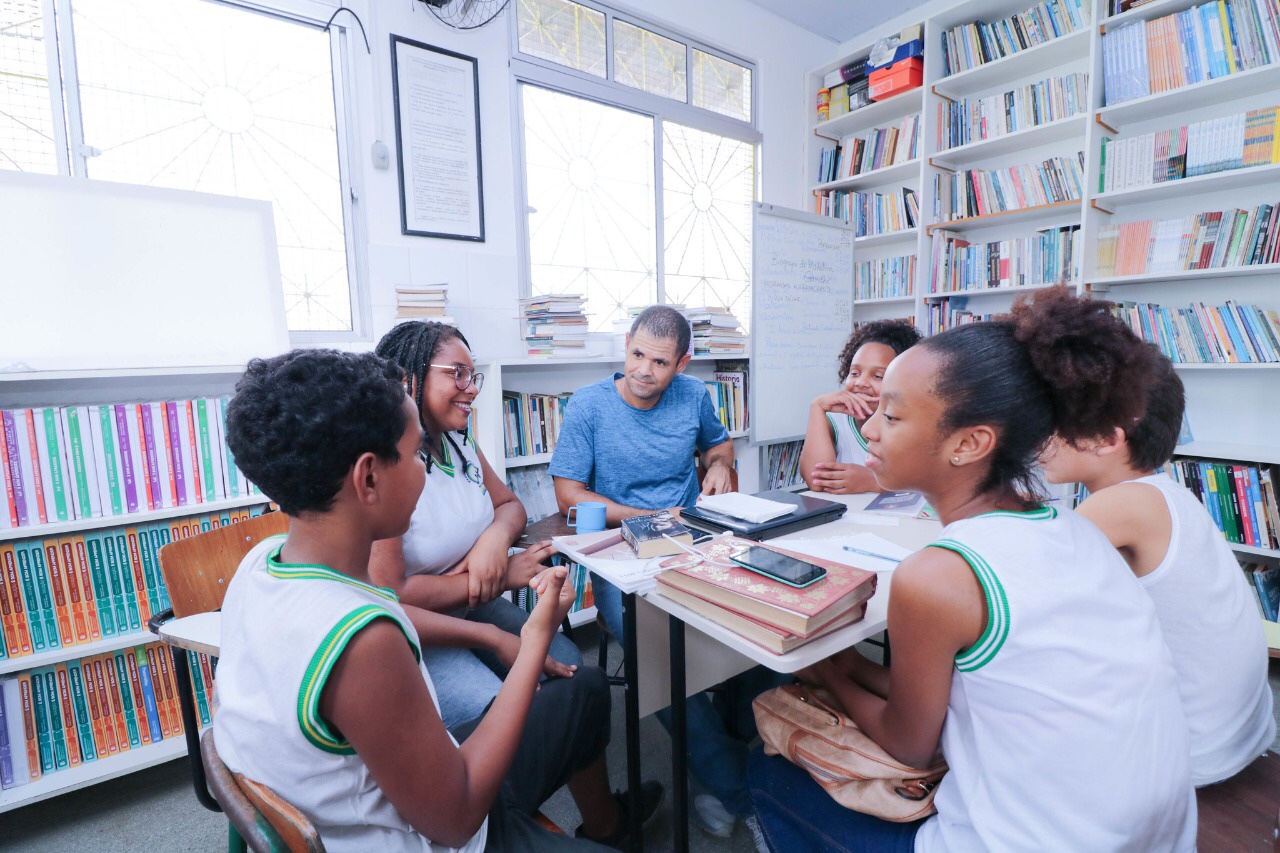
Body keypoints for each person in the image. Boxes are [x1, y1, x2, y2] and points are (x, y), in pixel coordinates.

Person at [749, 287, 1197, 851]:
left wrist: (831, 674)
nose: (869, 430)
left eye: (891, 414)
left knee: (766, 770)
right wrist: (848, 668)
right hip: (1157, 835)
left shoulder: (938, 576)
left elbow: (910, 745)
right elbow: (969, 695)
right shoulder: (1077, 530)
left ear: (970, 443)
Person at [213, 348, 637, 851]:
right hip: (444, 832)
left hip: (407, 795)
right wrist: (533, 638)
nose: (426, 468)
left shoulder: (261, 560)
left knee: (585, 689)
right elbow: (456, 820)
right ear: (368, 478)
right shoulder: (363, 637)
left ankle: (608, 827)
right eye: (416, 454)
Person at [551, 305, 777, 845]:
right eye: (636, 355)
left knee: (767, 624)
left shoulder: (695, 397)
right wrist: (649, 519)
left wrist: (720, 464)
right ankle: (741, 789)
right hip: (624, 550)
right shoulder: (589, 407)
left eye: (659, 361)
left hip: (698, 537)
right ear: (625, 344)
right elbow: (568, 495)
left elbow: (718, 445)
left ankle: (731, 742)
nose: (644, 370)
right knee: (660, 660)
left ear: (683, 362)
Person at [1040, 353, 1275, 787]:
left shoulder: (1121, 504)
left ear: (1109, 439)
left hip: (1191, 757)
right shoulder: (1162, 491)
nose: (1041, 436)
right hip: (1238, 735)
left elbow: (1014, 576)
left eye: (1054, 422)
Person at [368, 321, 583, 733]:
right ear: (408, 375)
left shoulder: (459, 442)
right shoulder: (387, 465)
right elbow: (391, 594)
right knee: (499, 713)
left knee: (566, 665)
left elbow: (509, 505)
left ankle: (599, 801)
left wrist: (493, 540)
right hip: (414, 627)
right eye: (457, 374)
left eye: (474, 375)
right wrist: (498, 576)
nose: (472, 388)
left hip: (470, 606)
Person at [800, 319, 920, 494]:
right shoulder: (835, 419)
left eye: (878, 376)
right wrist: (817, 407)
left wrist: (873, 482)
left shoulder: (916, 423)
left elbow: (931, 482)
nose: (861, 383)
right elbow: (818, 481)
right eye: (854, 373)